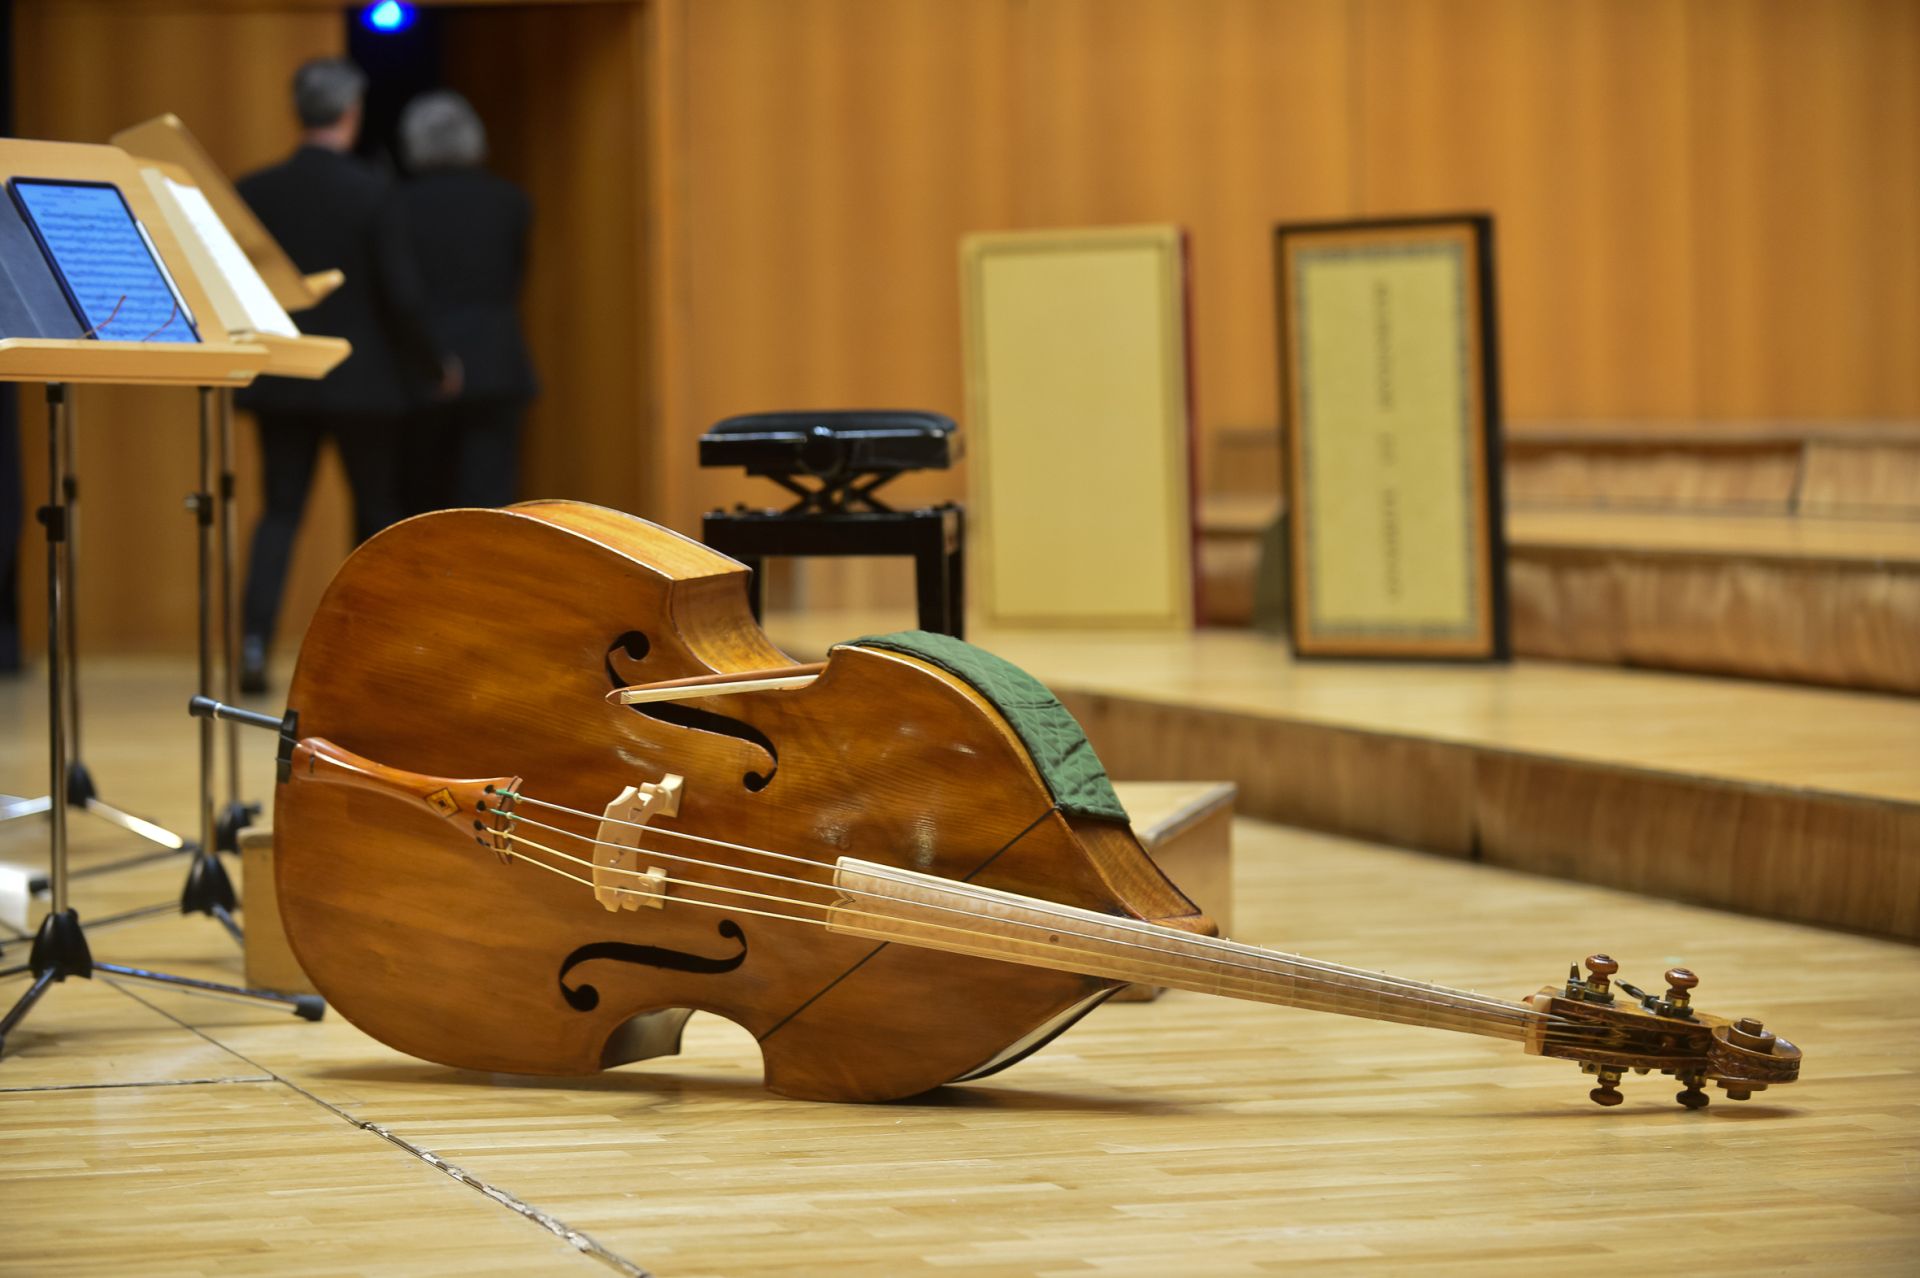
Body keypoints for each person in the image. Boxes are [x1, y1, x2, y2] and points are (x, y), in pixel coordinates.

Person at [234, 58, 421, 693]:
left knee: (280, 511)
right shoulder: (375, 190)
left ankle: (253, 644)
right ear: (351, 112)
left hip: (283, 374)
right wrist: (430, 363)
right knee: (374, 513)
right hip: (364, 379)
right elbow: (400, 292)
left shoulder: (255, 191)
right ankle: (374, 646)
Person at [380, 90, 537, 515]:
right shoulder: (509, 200)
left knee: (422, 500)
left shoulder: (396, 204)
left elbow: (398, 291)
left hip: (423, 366)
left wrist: (431, 357)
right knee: (492, 499)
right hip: (497, 360)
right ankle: (487, 582)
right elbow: (515, 276)